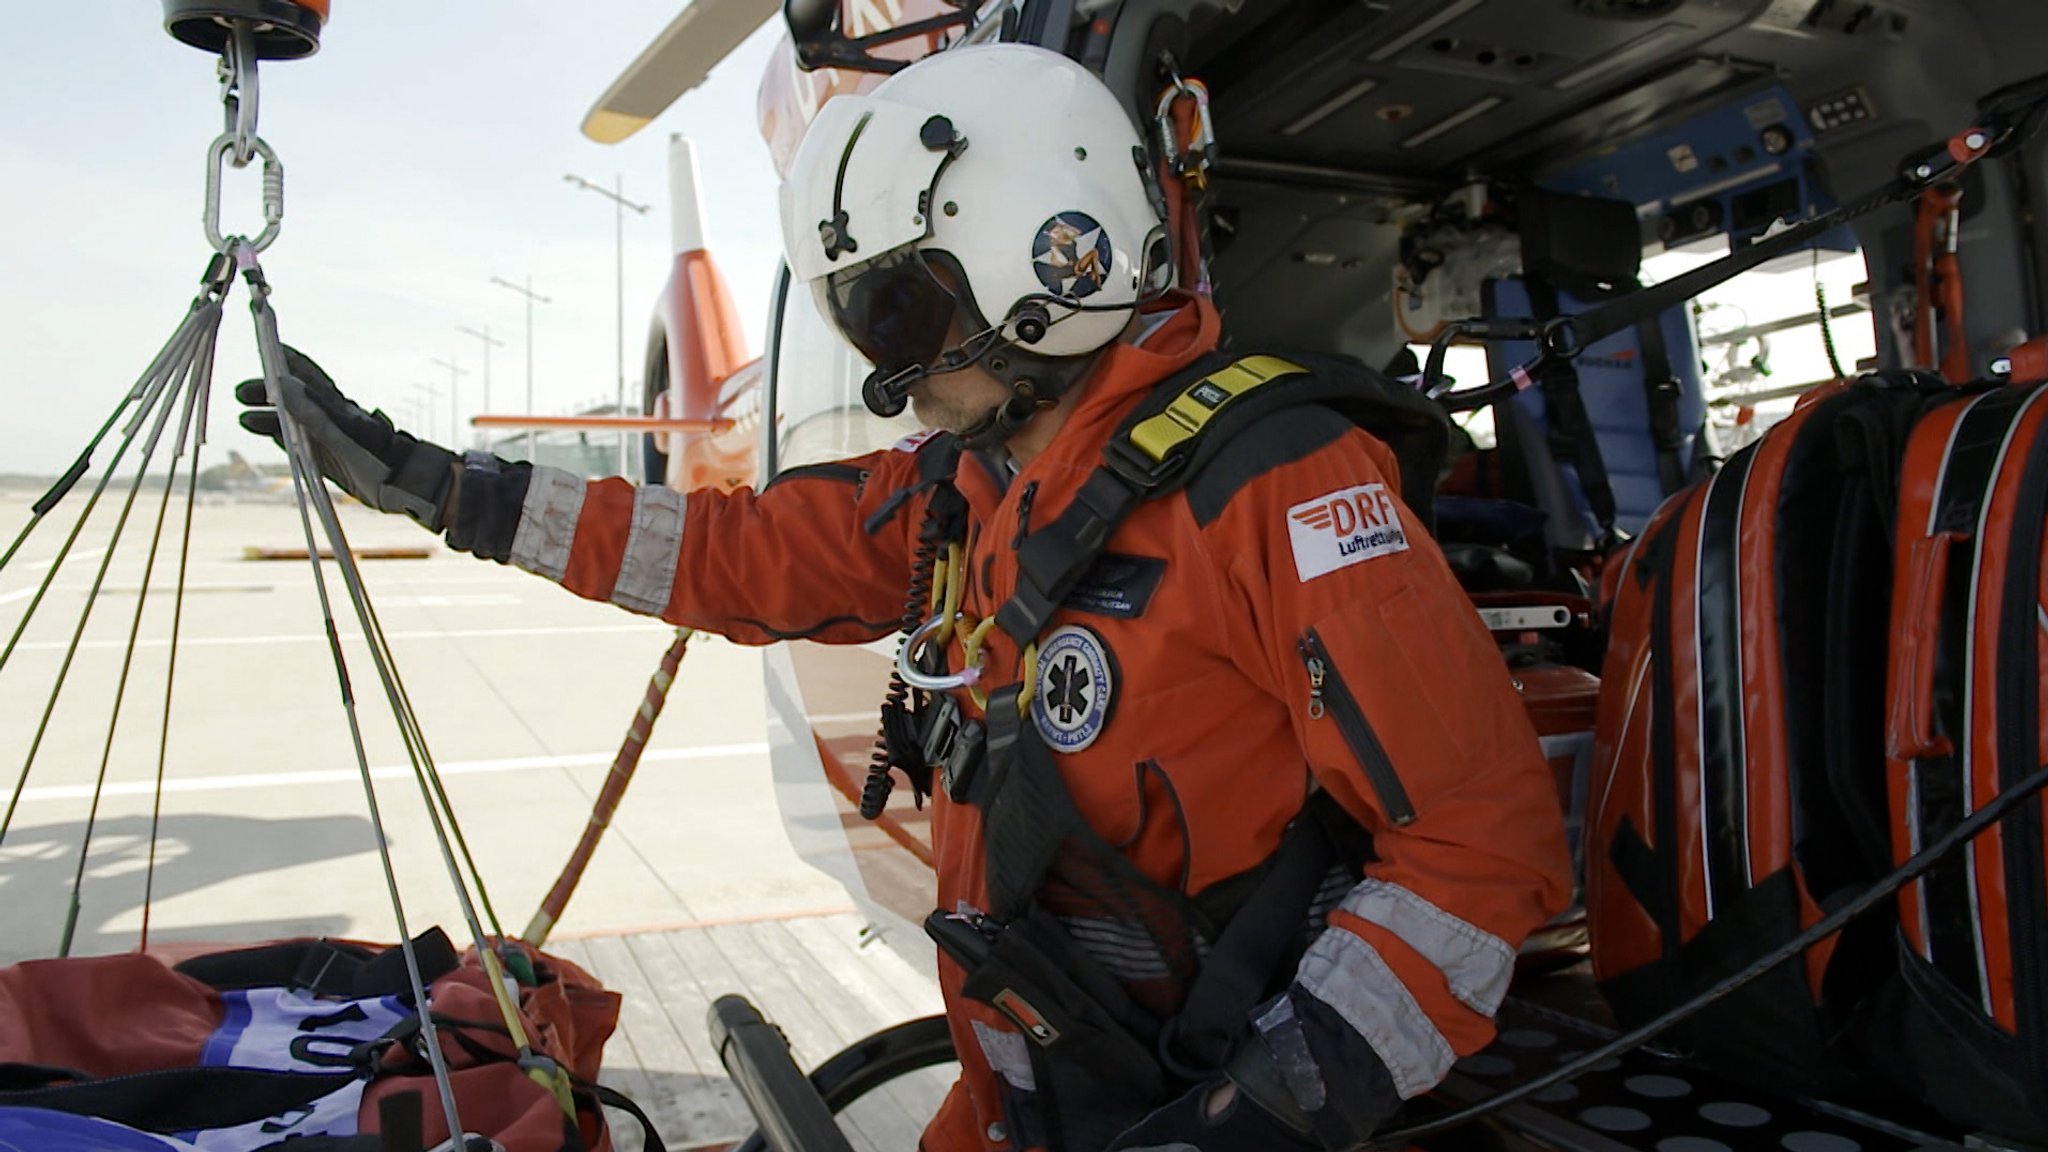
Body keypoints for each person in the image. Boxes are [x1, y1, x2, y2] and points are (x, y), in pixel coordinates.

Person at [239, 43, 1571, 1152]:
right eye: (863, 325)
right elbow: (722, 553)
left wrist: (1265, 1111)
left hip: (1199, 1096)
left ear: (1048, 263)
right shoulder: (964, 492)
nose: (888, 373)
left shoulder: (1278, 486)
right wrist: (439, 489)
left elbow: (1478, 849)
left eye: (900, 323)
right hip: (1027, 1101)